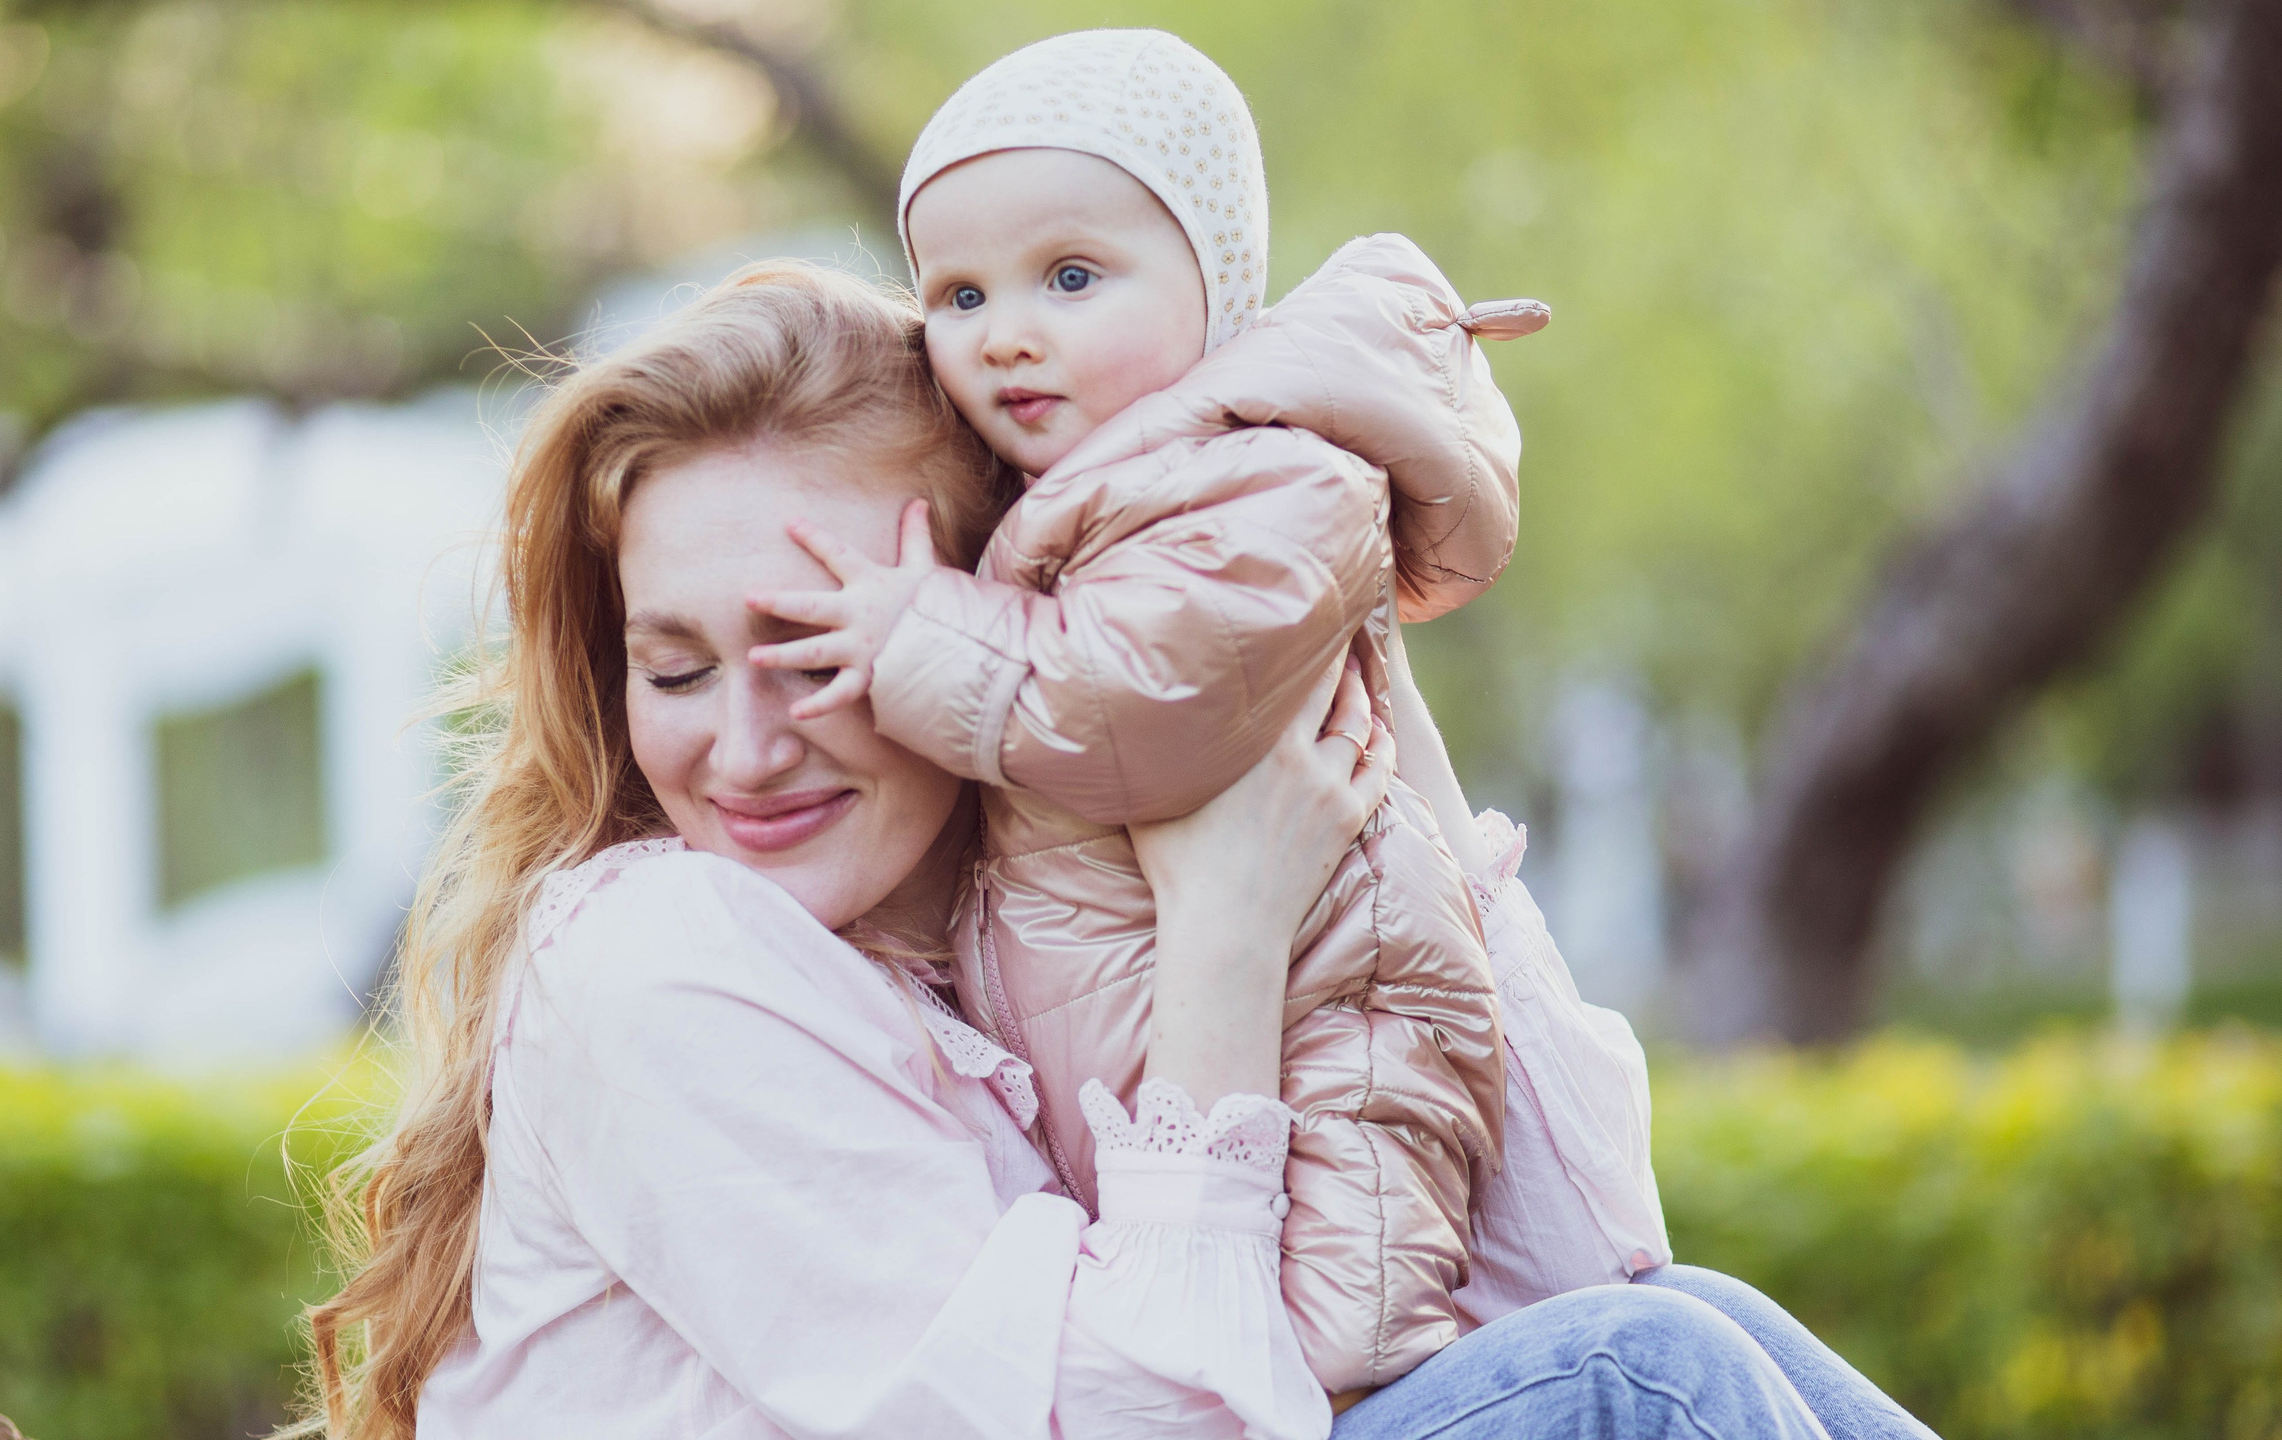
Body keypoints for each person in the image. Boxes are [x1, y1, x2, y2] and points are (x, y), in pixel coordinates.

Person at [292, 263, 1871, 1440]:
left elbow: (1581, 1247)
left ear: (987, 610)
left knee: (1675, 1327)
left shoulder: (1021, 938)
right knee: (1637, 1382)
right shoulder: (654, 957)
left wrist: (1362, 742)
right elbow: (1156, 1423)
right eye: (680, 669)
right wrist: (1229, 945)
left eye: (819, 646)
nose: (746, 748)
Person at [738, 27, 1658, 1395]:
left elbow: (1134, 703)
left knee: (1367, 1328)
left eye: (1069, 275)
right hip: (1184, 1026)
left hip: (1331, 1011)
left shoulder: (1275, 479)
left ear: (1217, 287)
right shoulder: (1084, 502)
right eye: (961, 295)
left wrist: (917, 632)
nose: (1009, 333)